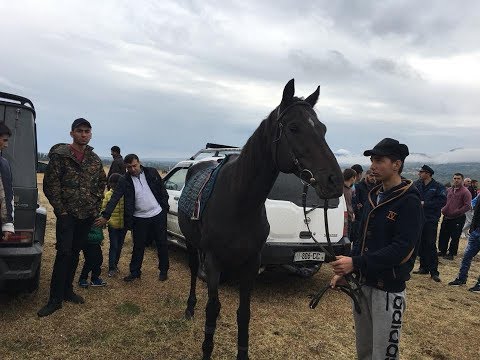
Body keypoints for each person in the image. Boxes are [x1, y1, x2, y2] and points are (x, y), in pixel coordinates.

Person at [330, 138, 423, 360]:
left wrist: (355, 263)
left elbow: (401, 250)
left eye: (379, 160)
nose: (373, 165)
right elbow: (362, 240)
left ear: (396, 164)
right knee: (365, 351)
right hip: (364, 284)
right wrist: (348, 270)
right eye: (372, 160)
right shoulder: (374, 196)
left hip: (388, 289)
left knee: (384, 355)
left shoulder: (409, 200)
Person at [38, 118, 107, 317]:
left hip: (86, 215)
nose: (83, 134)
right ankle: (55, 299)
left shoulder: (94, 159)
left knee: (76, 253)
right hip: (67, 215)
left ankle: (68, 291)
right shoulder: (60, 156)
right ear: (72, 133)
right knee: (63, 255)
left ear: (91, 134)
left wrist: (95, 207)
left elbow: (100, 184)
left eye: (87, 131)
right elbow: (51, 185)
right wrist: (62, 211)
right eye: (79, 131)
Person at [95, 154, 170, 282]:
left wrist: (164, 207)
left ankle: (163, 270)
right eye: (129, 167)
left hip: (157, 214)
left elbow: (162, 189)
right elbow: (115, 197)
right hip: (139, 218)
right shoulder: (125, 180)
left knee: (161, 243)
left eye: (134, 166)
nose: (133, 169)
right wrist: (106, 216)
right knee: (138, 246)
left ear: (139, 163)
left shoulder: (151, 172)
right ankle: (135, 272)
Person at [413, 165, 446, 282]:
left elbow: (442, 201)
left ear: (428, 174)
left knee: (430, 244)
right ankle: (423, 267)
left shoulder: (438, 187)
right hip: (418, 218)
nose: (419, 174)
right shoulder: (417, 184)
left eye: (421, 172)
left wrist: (425, 203)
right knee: (420, 243)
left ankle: (434, 271)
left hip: (431, 219)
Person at [448, 193, 480, 293]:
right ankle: (461, 279)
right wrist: (473, 228)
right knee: (467, 256)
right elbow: (474, 207)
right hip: (476, 232)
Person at [438, 173, 472, 260]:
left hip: (458, 218)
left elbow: (467, 205)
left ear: (462, 180)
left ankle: (451, 254)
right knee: (443, 234)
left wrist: (457, 212)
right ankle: (442, 251)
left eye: (458, 178)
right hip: (446, 216)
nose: (456, 180)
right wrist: (443, 208)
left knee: (455, 236)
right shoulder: (449, 190)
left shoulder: (465, 192)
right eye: (455, 178)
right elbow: (444, 200)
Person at [102, 173, 126, 277]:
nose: (114, 187)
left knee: (119, 246)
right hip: (112, 225)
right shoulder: (108, 195)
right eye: (112, 185)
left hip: (123, 225)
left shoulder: (125, 194)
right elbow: (103, 208)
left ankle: (115, 265)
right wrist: (105, 220)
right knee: (114, 246)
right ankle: (111, 267)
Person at [351, 169, 376, 243]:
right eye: (371, 176)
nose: (373, 178)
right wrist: (358, 208)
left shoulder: (375, 187)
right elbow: (355, 201)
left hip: (371, 216)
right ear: (366, 175)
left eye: (374, 176)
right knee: (358, 238)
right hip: (360, 216)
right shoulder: (358, 186)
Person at [0, 123, 14, 241]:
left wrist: (7, 224)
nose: (6, 144)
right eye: (4, 140)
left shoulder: (4, 164)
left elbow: (6, 195)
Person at [343, 168, 356, 237]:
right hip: (346, 220)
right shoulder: (345, 190)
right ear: (352, 178)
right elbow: (347, 205)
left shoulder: (349, 189)